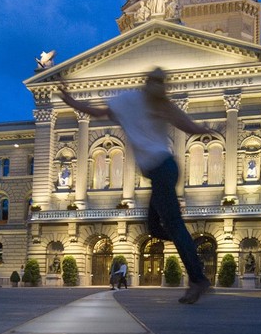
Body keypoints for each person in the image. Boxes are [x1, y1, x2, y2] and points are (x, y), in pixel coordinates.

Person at [58, 67, 216, 304]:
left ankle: (197, 278)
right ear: (147, 84)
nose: (158, 87)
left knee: (172, 224)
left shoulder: (161, 105)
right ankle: (187, 243)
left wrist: (204, 130)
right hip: (160, 173)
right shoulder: (130, 103)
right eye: (156, 82)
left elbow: (186, 125)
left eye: (161, 83)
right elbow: (98, 112)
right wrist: (71, 100)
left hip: (164, 169)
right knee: (153, 227)